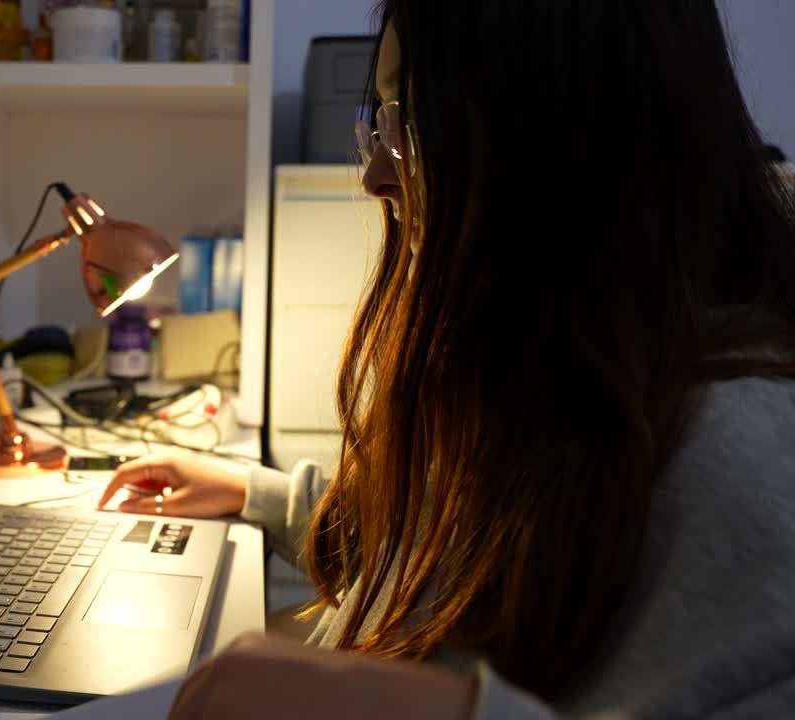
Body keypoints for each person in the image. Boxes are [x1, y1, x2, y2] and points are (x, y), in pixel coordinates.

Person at [98, 1, 795, 717]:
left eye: (411, 119)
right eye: (381, 120)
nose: (374, 175)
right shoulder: (560, 364)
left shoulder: (754, 475)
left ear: (562, 136)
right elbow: (439, 555)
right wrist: (265, 497)